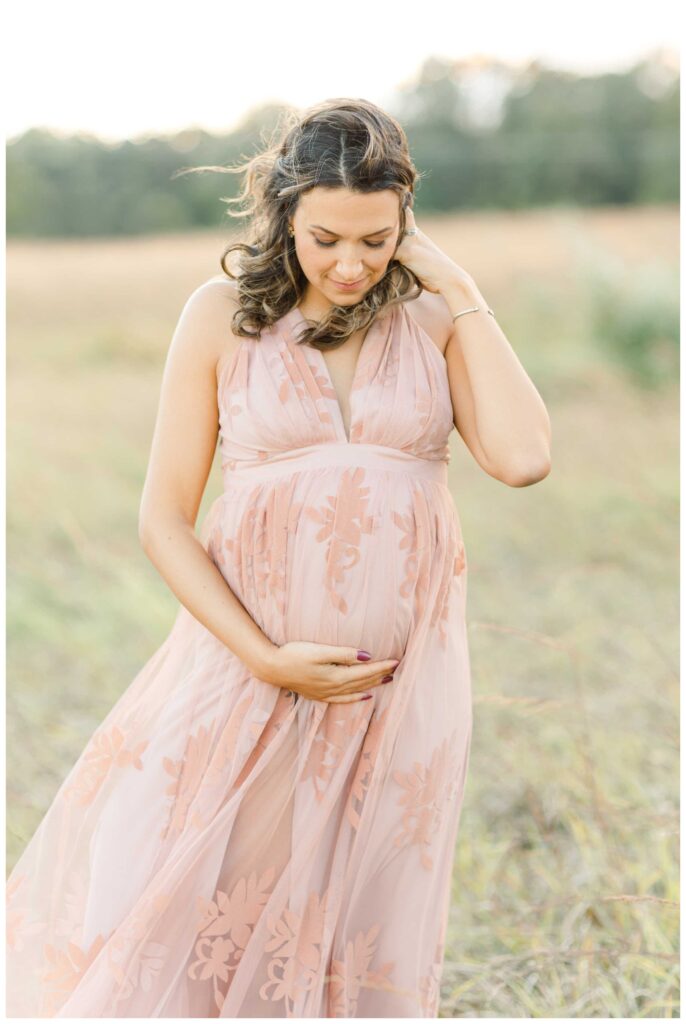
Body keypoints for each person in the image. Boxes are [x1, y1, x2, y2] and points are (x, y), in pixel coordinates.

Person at [5, 97, 551, 1018]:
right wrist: (265, 658)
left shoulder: (432, 321)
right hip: (247, 674)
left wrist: (458, 287)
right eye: (326, 236)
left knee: (353, 928)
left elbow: (525, 458)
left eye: (378, 240)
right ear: (285, 213)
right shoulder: (222, 317)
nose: (350, 264)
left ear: (407, 223)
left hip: (396, 690)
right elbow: (163, 521)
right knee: (200, 911)